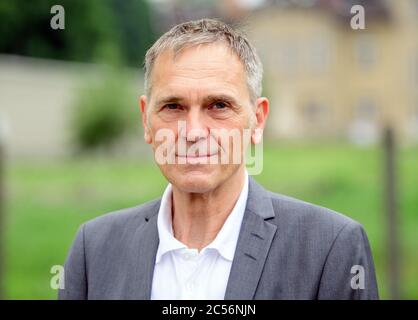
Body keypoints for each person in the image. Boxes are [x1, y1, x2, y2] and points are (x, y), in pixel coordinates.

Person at [58, 18, 379, 300]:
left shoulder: (330, 249)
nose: (194, 132)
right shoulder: (94, 250)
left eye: (219, 106)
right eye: (173, 106)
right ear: (146, 120)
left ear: (258, 119)